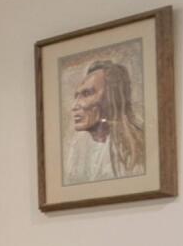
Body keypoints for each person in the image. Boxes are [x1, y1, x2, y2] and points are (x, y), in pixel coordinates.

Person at [64, 53, 149, 185]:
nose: (74, 106)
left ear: (111, 98)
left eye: (87, 94)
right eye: (77, 96)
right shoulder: (78, 148)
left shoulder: (135, 146)